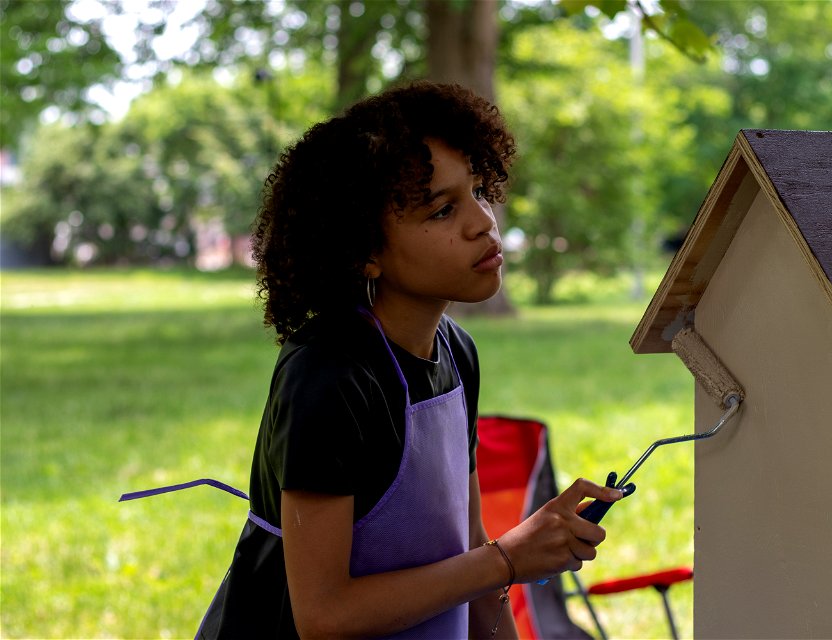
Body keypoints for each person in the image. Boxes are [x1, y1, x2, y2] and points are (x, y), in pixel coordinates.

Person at [197, 81, 625, 639]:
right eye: (443, 210)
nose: (483, 222)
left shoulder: (456, 352)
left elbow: (470, 552)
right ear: (364, 251)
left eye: (477, 190)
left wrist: (501, 566)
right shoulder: (329, 375)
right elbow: (324, 616)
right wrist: (508, 558)